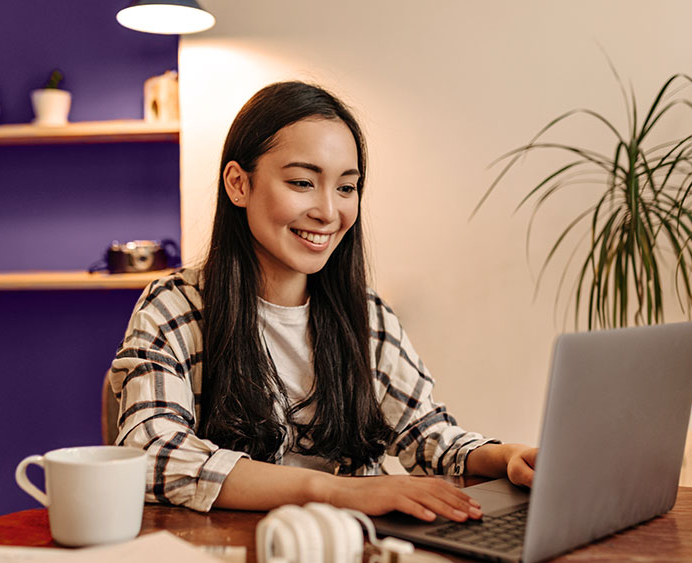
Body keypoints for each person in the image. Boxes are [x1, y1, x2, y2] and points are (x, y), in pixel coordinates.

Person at [108, 81, 536, 523]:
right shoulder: (175, 307)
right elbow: (152, 452)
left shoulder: (367, 316)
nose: (329, 212)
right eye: (302, 182)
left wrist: (505, 456)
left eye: (346, 188)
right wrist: (335, 491)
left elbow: (425, 433)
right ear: (238, 184)